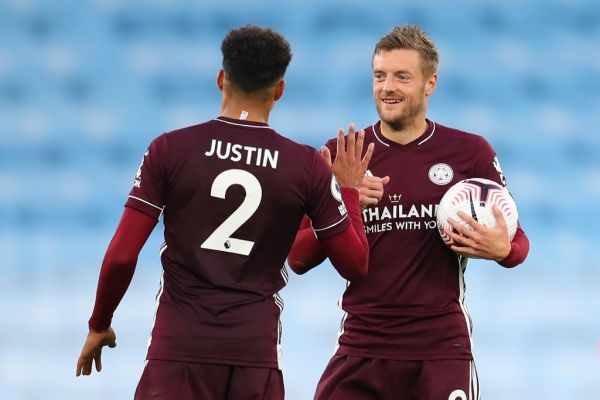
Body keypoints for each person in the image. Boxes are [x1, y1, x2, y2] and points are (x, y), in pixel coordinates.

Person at [75, 25, 374, 400]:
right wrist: (347, 193)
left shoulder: (170, 149)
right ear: (280, 90)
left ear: (220, 79)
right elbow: (354, 264)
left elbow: (121, 256)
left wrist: (99, 323)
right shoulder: (306, 165)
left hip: (178, 350)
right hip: (254, 355)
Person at [288, 25, 530, 400]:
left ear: (430, 83)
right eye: (380, 75)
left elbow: (518, 242)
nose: (388, 87)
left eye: (402, 77)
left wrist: (504, 250)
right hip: (362, 347)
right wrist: (346, 200)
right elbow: (298, 257)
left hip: (440, 350)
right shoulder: (343, 154)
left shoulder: (469, 152)